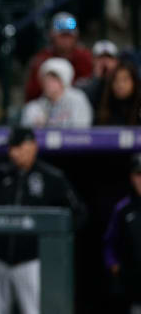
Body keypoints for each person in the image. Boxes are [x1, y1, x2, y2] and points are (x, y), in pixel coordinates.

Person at [0, 127, 87, 314]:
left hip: (31, 262)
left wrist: (52, 246)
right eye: (11, 148)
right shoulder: (1, 174)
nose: (13, 152)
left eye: (18, 147)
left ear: (32, 146)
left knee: (34, 310)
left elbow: (79, 213)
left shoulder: (51, 177)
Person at [24, 12, 93, 101]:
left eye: (69, 36)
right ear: (52, 36)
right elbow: (32, 94)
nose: (66, 41)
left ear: (76, 37)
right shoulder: (42, 59)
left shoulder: (84, 57)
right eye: (62, 36)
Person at [104, 153, 141, 314]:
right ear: (132, 177)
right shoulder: (123, 209)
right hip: (134, 285)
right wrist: (114, 265)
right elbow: (109, 242)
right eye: (139, 174)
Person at [20, 57, 93, 128]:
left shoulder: (77, 99)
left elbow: (82, 131)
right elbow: (27, 134)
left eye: (54, 79)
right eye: (46, 79)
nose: (48, 83)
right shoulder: (34, 107)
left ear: (64, 81)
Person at [94, 60, 141, 125]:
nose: (120, 85)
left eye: (125, 80)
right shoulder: (102, 106)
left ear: (134, 82)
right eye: (116, 80)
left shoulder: (138, 107)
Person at [76, 39, 120, 106]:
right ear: (93, 61)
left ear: (116, 61)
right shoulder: (82, 83)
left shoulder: (124, 82)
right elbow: (85, 101)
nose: (105, 61)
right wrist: (97, 78)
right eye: (100, 57)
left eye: (109, 57)